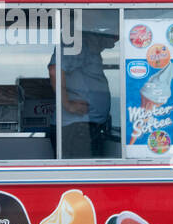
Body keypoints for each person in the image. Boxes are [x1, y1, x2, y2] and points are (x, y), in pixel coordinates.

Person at [47, 10, 119, 158]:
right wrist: (67, 105)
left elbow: (111, 41)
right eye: (100, 13)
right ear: (86, 14)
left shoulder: (87, 37)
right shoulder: (74, 39)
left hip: (85, 125)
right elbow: (55, 70)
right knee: (80, 178)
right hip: (77, 127)